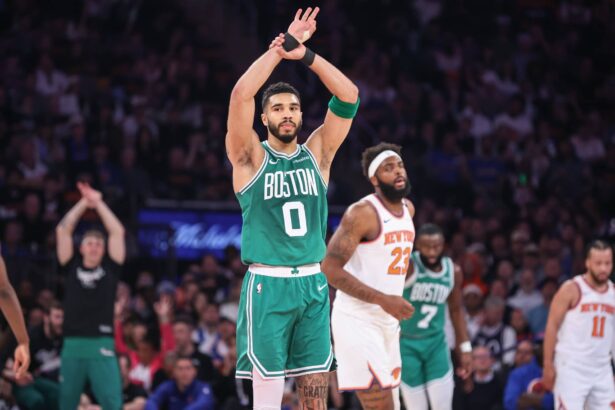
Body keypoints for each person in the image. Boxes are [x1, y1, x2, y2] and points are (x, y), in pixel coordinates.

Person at [226, 6, 359, 409]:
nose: (287, 114)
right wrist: (279, 49)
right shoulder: (249, 157)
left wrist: (305, 55)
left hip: (313, 284)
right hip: (267, 285)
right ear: (264, 117)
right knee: (267, 401)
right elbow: (241, 94)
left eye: (293, 108)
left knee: (315, 396)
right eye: (278, 108)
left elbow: (349, 96)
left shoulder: (318, 153)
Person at [322, 142, 415, 409]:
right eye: (388, 168)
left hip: (388, 321)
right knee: (380, 404)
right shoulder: (362, 213)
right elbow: (329, 268)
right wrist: (382, 299)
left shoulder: (408, 209)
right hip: (357, 320)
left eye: (400, 165)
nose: (398, 171)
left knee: (393, 404)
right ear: (374, 179)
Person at [56, 182, 125, 410]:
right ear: (81, 248)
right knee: (67, 403)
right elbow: (63, 231)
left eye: (98, 244)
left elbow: (117, 232)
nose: (94, 247)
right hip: (72, 343)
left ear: (104, 250)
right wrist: (83, 203)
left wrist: (98, 203)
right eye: (89, 243)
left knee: (112, 402)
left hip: (101, 342)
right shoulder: (70, 266)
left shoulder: (111, 268)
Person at [399, 224, 473, 410]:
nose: (431, 252)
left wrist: (465, 348)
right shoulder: (408, 266)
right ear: (417, 246)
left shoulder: (453, 271)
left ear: (443, 245)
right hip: (407, 344)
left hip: (436, 343)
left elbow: (456, 311)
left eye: (436, 246)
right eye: (426, 246)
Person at [543, 240, 615, 409]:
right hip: (571, 367)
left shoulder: (613, 293)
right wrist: (548, 364)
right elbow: (552, 326)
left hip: (602, 368)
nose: (603, 268)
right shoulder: (572, 289)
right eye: (598, 263)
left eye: (607, 263)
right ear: (587, 263)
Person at [144, 355, 214, 410]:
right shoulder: (168, 386)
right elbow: (152, 401)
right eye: (180, 369)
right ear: (174, 372)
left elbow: (204, 403)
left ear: (194, 372)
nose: (184, 373)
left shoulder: (202, 387)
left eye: (188, 368)